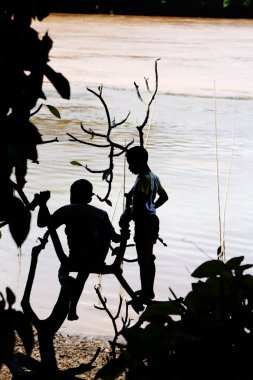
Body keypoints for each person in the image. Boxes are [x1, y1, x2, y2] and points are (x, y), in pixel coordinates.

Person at [37, 179, 121, 321]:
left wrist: (43, 204)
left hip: (74, 258)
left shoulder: (66, 210)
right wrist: (123, 235)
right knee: (84, 273)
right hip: (96, 260)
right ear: (89, 197)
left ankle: (65, 281)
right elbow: (116, 238)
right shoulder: (102, 213)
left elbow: (42, 223)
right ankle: (73, 309)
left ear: (73, 195)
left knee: (63, 270)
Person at [120, 146, 168, 305]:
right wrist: (152, 206)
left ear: (140, 162)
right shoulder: (152, 177)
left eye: (131, 164)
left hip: (144, 223)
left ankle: (146, 293)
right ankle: (148, 290)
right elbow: (164, 196)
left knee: (144, 259)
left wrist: (126, 218)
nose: (129, 167)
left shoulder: (143, 179)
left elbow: (139, 206)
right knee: (148, 258)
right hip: (152, 220)